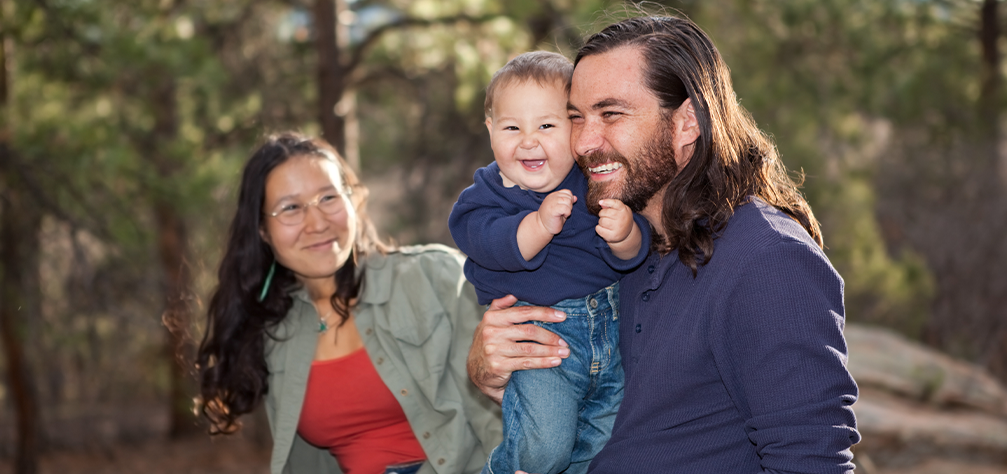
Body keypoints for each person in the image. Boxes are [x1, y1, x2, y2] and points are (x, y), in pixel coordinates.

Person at [467, 15, 861, 474]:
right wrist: (488, 364)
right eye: (576, 117)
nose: (585, 142)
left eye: (611, 114)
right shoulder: (618, 244)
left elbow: (811, 463)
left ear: (687, 122)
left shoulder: (767, 261)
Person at [196, 132, 502, 474]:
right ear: (262, 231)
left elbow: (507, 408)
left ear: (352, 201)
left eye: (328, 197)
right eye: (291, 208)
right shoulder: (273, 333)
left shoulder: (435, 276)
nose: (317, 223)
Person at [448, 52, 650, 474]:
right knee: (545, 449)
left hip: (611, 334)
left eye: (546, 125)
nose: (527, 139)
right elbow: (495, 245)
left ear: (574, 129)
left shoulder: (593, 182)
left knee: (601, 447)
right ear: (490, 130)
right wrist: (539, 224)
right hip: (542, 343)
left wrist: (626, 235)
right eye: (511, 127)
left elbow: (633, 257)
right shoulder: (486, 197)